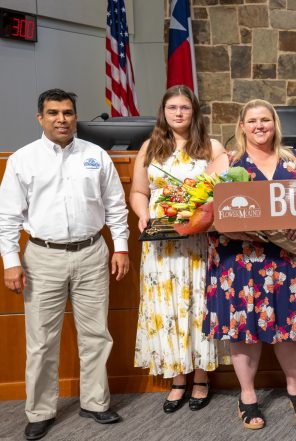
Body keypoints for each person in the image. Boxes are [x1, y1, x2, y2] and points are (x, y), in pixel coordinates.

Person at [0, 89, 130, 440]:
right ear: (40, 118)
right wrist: (11, 262)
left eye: (68, 112)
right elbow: (7, 217)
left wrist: (120, 248)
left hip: (92, 253)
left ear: (76, 117)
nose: (62, 119)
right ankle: (40, 411)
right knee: (41, 340)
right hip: (43, 256)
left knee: (96, 335)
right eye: (54, 113)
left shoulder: (96, 155)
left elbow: (116, 206)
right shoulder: (23, 160)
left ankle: (95, 402)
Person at [203, 99, 296, 430]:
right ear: (242, 126)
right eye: (252, 121)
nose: (259, 126)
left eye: (265, 120)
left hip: (284, 259)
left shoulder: (295, 159)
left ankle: (294, 388)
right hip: (239, 261)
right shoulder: (227, 160)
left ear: (275, 124)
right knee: (244, 330)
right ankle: (247, 395)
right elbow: (205, 208)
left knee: (288, 328)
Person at [130, 85, 229, 414]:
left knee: (196, 305)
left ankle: (201, 376)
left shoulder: (211, 148)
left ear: (194, 111)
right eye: (172, 107)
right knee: (167, 308)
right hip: (161, 244)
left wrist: (199, 211)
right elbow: (139, 192)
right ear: (164, 111)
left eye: (185, 107)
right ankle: (177, 379)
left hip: (197, 242)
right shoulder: (150, 147)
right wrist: (143, 213)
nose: (178, 113)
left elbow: (219, 194)